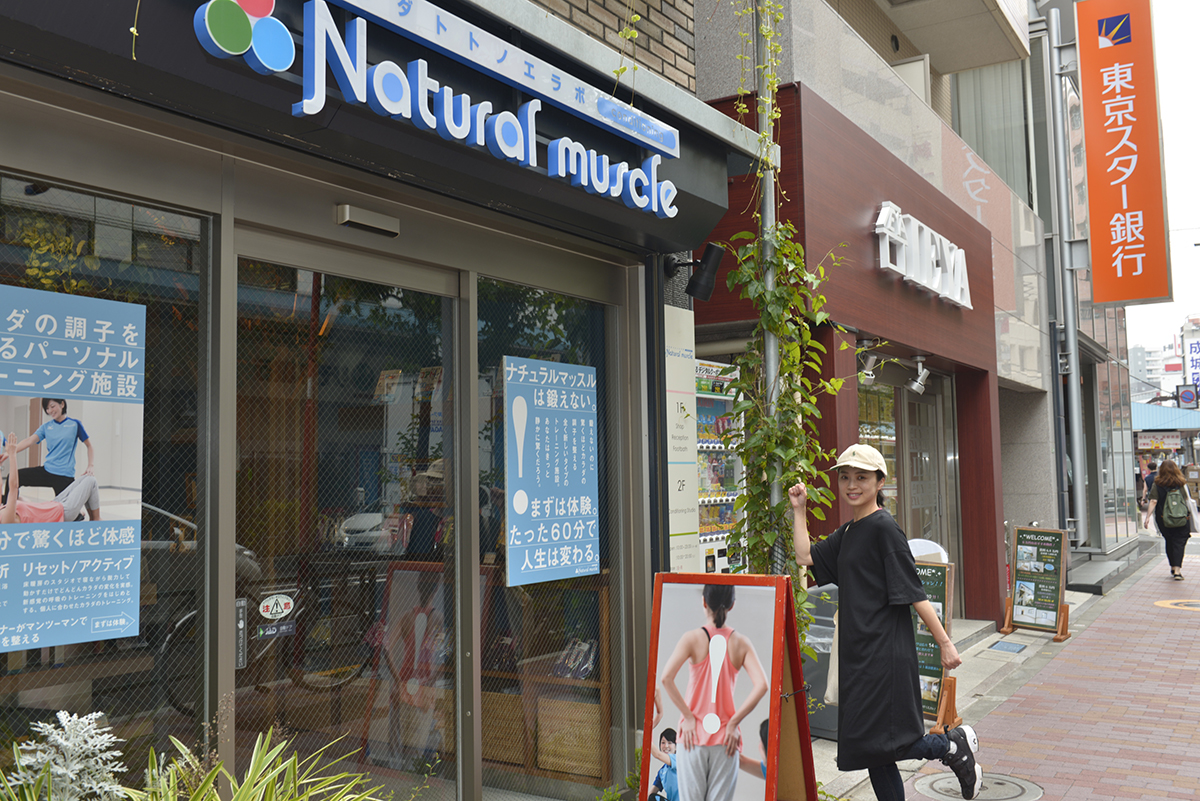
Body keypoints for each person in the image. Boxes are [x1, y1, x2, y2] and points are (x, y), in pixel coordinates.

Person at [788, 443, 981, 801]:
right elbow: (804, 556)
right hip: (857, 654)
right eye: (845, 477)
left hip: (884, 655)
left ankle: (950, 745)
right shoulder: (849, 532)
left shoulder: (884, 528)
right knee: (871, 750)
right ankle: (953, 747)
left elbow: (914, 592)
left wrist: (944, 642)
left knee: (884, 743)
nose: (851, 485)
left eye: (861, 477)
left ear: (880, 482)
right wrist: (799, 510)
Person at [658, 584, 768, 801]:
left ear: (704, 602)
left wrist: (689, 717)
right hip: (725, 739)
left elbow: (666, 678)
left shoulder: (691, 638)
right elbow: (762, 685)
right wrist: (733, 723)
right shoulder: (741, 642)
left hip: (692, 738)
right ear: (732, 605)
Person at [8, 399, 94, 501]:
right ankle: (7, 507)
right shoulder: (46, 427)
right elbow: (29, 440)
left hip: (64, 475)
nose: (50, 411)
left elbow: (89, 446)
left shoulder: (75, 424)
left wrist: (90, 465)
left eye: (52, 406)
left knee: (66, 509)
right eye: (47, 408)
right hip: (47, 471)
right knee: (13, 476)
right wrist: (9, 452)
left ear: (62, 404)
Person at [0, 439, 101, 524]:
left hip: (56, 504)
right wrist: (12, 455)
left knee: (85, 478)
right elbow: (14, 486)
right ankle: (96, 520)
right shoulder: (6, 519)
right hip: (62, 512)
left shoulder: (3, 509)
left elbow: (2, 486)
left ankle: (82, 516)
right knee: (91, 480)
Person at [1142, 459, 1191, 580]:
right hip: (1181, 517)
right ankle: (1177, 570)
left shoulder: (1158, 483)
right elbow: (1187, 500)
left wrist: (1147, 517)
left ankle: (1173, 566)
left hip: (1164, 518)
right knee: (1179, 542)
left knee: (1169, 541)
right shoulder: (1182, 483)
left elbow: (1153, 501)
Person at [648, 728, 679, 801]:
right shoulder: (662, 771)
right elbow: (651, 794)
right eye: (663, 742)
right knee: (652, 797)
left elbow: (657, 754)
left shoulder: (678, 760)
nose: (666, 746)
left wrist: (648, 732)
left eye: (670, 743)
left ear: (676, 746)